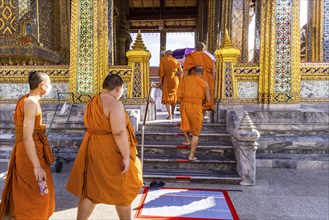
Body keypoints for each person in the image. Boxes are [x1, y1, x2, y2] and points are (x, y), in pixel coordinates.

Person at [66, 74, 143, 220]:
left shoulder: (92, 102)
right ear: (118, 89)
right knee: (123, 189)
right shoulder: (115, 104)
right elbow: (119, 132)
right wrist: (126, 156)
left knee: (91, 191)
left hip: (92, 148)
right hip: (111, 151)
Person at [0, 71, 55, 219]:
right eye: (48, 84)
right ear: (42, 86)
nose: (50, 87)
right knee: (37, 190)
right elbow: (27, 137)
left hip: (33, 149)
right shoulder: (30, 103)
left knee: (36, 188)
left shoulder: (28, 100)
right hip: (30, 153)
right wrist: (36, 165)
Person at [177, 66, 210, 161]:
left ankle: (187, 140)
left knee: (184, 123)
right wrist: (200, 103)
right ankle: (191, 155)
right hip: (196, 107)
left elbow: (179, 93)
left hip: (185, 105)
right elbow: (207, 99)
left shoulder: (185, 79)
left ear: (193, 72)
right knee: (195, 133)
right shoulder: (204, 83)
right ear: (202, 73)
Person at [183, 42, 216, 113]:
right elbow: (214, 70)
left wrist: (184, 80)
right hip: (206, 78)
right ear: (203, 48)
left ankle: (197, 113)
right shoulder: (209, 57)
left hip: (194, 78)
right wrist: (212, 79)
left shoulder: (191, 56)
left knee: (195, 95)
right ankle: (203, 114)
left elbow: (186, 70)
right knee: (205, 95)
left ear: (195, 48)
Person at [159, 50, 183, 120]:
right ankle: (172, 113)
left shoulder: (163, 60)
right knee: (174, 97)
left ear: (166, 54)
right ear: (171, 55)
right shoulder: (176, 61)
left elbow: (161, 72)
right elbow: (181, 71)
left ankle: (170, 115)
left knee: (167, 98)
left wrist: (160, 82)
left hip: (167, 79)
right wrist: (180, 80)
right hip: (175, 80)